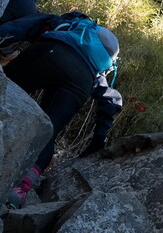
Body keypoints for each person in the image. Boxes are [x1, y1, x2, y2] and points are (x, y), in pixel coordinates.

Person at [0, 12, 123, 208]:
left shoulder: (71, 25)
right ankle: (20, 188)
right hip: (81, 79)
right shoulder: (96, 67)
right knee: (49, 130)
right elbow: (111, 100)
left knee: (4, 91)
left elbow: (18, 28)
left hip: (51, 50)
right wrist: (98, 141)